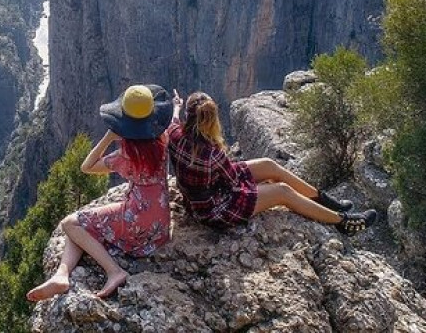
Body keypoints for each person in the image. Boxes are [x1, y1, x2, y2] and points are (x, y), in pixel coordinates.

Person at [27, 84, 173, 302]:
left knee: (70, 224)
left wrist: (108, 137)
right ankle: (61, 274)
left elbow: (87, 166)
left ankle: (114, 272)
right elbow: (174, 124)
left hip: (136, 222)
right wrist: (177, 109)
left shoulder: (125, 156)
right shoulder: (162, 142)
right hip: (160, 226)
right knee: (82, 228)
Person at [167, 90, 377, 235]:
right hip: (214, 209)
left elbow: (173, 121)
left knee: (269, 165)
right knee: (282, 192)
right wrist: (264, 190)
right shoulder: (213, 153)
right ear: (212, 119)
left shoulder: (175, 135)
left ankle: (326, 202)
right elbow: (233, 184)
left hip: (200, 199)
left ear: (189, 116)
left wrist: (175, 106)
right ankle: (342, 221)